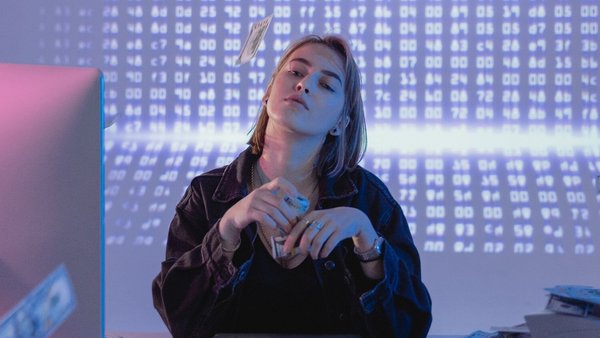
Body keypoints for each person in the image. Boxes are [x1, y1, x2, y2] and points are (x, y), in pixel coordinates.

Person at [152, 34, 432, 337]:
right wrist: (228, 229)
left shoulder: (371, 200)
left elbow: (410, 328)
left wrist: (367, 241)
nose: (304, 85)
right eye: (295, 72)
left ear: (341, 122)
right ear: (268, 90)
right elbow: (180, 321)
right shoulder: (207, 194)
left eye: (326, 85)